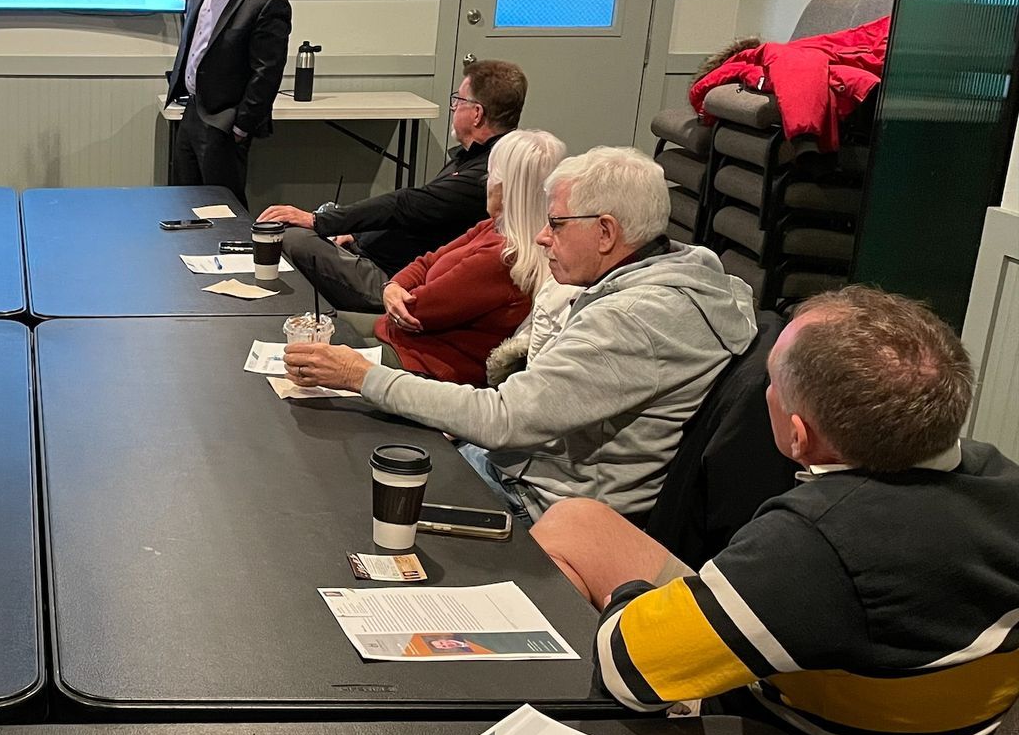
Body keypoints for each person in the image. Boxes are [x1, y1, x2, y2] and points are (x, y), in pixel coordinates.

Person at [530, 286, 1019, 735]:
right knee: (577, 523)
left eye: (771, 383)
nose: (763, 391)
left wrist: (630, 597)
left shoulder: (816, 544)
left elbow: (624, 669)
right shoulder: (995, 476)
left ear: (798, 434)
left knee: (599, 626)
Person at [284, 147, 755, 521]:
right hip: (521, 469)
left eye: (555, 223)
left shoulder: (631, 319)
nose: (542, 237)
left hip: (531, 502)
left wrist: (361, 375)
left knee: (330, 499)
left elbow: (505, 419)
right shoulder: (684, 278)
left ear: (606, 233)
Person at [261, 62, 527, 315]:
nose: (453, 107)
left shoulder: (485, 174)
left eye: (458, 100)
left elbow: (406, 204)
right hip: (375, 258)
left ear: (477, 113)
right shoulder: (472, 158)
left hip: (391, 280)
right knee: (302, 231)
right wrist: (355, 236)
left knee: (291, 236)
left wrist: (318, 220)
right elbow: (416, 213)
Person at [95, 0, 290, 204]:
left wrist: (239, 128)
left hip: (224, 125)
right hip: (193, 113)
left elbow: (266, 75)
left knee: (222, 211)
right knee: (185, 202)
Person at [366, 129, 566, 386]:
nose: (486, 182)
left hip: (419, 364)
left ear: (505, 187)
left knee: (318, 337)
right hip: (402, 339)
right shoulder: (493, 227)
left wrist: (396, 290)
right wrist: (393, 286)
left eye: (491, 175)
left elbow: (417, 311)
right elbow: (427, 260)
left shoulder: (502, 257)